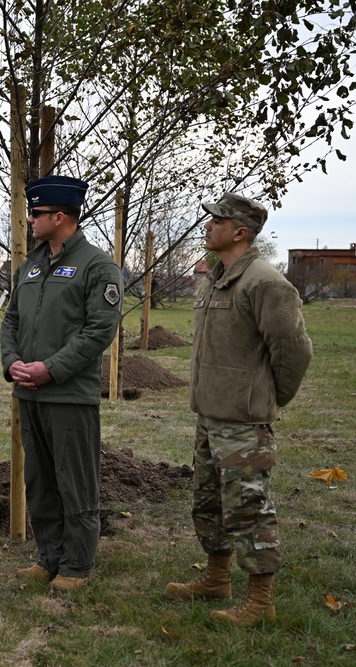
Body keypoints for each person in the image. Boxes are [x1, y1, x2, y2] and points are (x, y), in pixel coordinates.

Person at [165, 193, 312, 625]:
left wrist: (269, 398)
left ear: (240, 232)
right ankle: (216, 579)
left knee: (249, 510)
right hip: (210, 416)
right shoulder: (215, 277)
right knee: (209, 504)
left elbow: (294, 351)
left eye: (217, 221)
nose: (208, 226)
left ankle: (261, 602)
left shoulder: (265, 282)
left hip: (244, 423)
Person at [0, 175, 123, 591]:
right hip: (29, 392)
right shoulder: (31, 264)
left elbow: (97, 332)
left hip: (68, 394)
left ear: (60, 216)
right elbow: (12, 320)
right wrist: (12, 362)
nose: (29, 220)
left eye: (35, 214)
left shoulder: (97, 265)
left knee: (76, 482)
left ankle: (77, 565)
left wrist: (50, 368)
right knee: (40, 480)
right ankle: (48, 556)